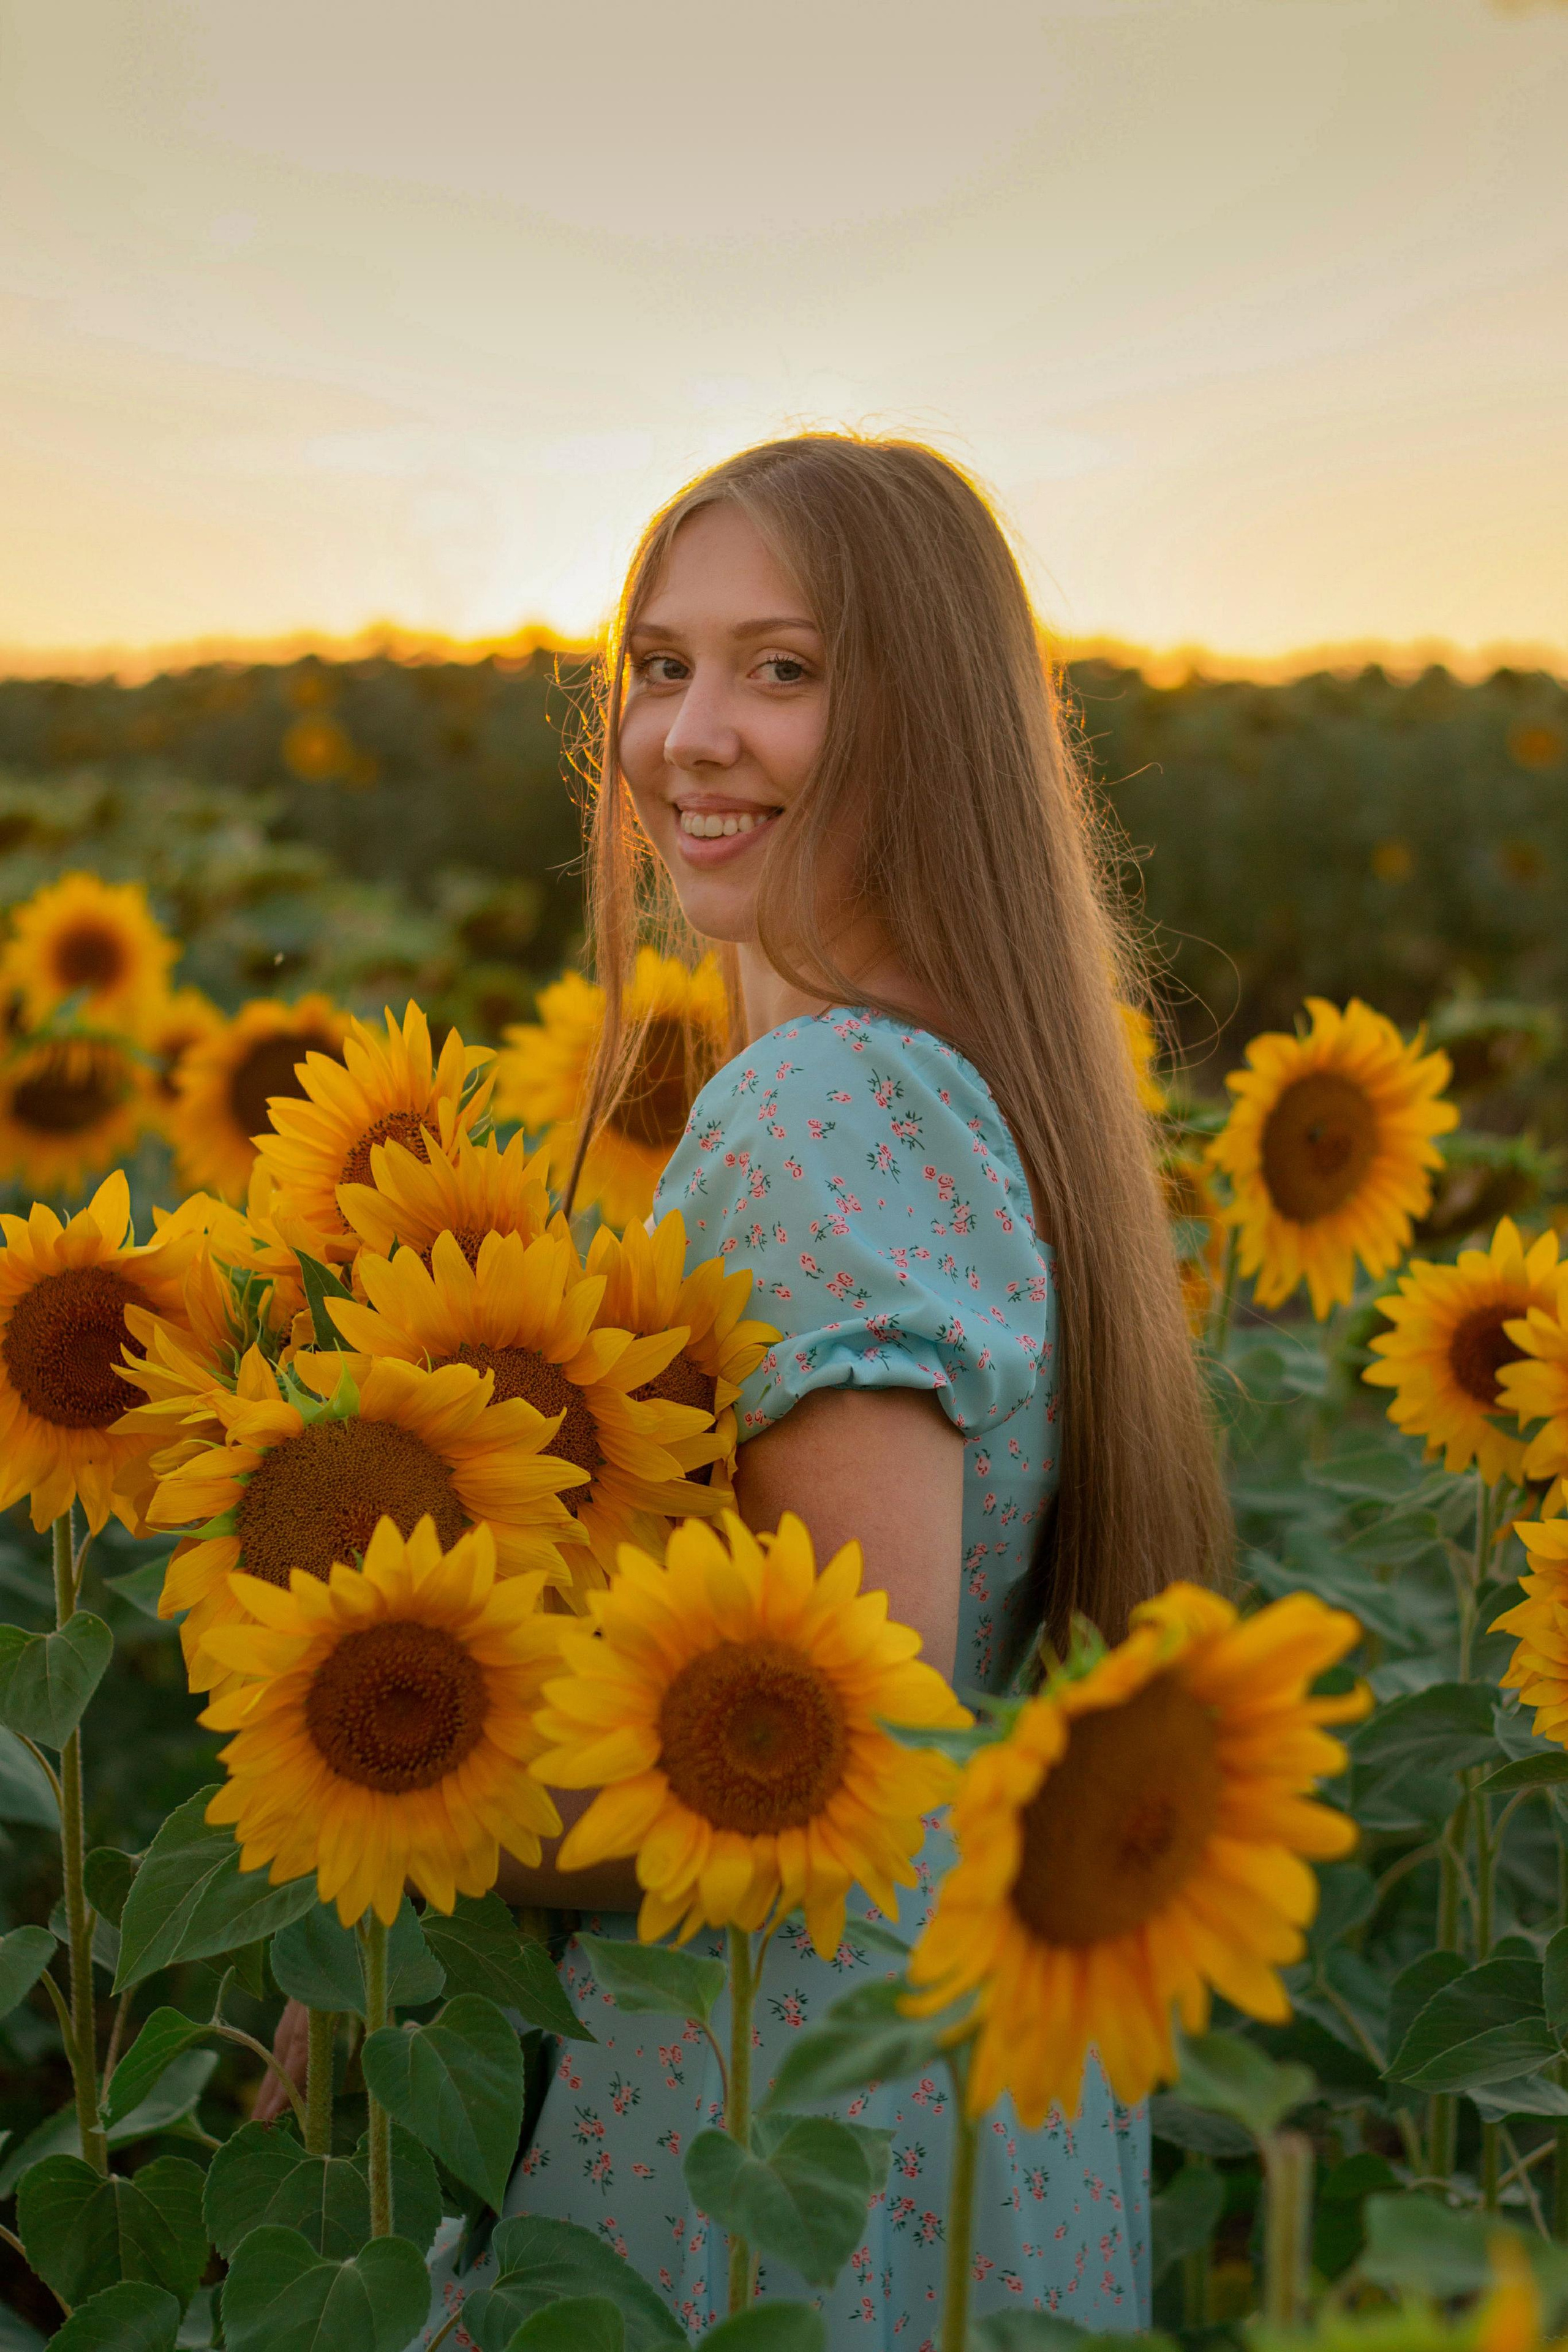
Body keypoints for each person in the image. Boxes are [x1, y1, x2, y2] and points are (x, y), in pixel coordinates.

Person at [270, 432, 1229, 2342]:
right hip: (955, 2103)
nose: (690, 734)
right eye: (661, 663)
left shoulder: (820, 1108)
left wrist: (367, 1802)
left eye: (785, 671)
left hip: (762, 2124)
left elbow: (815, 1762)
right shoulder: (983, 1083)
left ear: (930, 724)